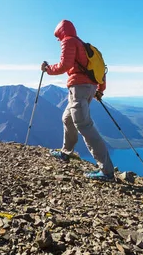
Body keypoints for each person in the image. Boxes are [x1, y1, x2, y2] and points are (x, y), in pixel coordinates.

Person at [42, 19, 115, 181]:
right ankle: (65, 153)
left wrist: (48, 69)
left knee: (84, 126)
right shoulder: (83, 45)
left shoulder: (68, 41)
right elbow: (101, 71)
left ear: (61, 31)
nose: (57, 39)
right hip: (88, 88)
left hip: (79, 88)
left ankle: (107, 171)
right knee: (67, 118)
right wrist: (99, 90)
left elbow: (64, 66)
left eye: (57, 36)